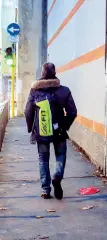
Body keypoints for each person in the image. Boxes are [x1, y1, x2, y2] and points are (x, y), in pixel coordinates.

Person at [25, 62, 77, 199]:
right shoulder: (64, 90)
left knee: (43, 159)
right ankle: (57, 176)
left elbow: (28, 111)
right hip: (59, 131)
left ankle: (45, 189)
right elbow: (72, 112)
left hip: (41, 131)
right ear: (54, 73)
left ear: (42, 73)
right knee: (60, 155)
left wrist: (31, 128)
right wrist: (64, 125)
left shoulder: (35, 90)